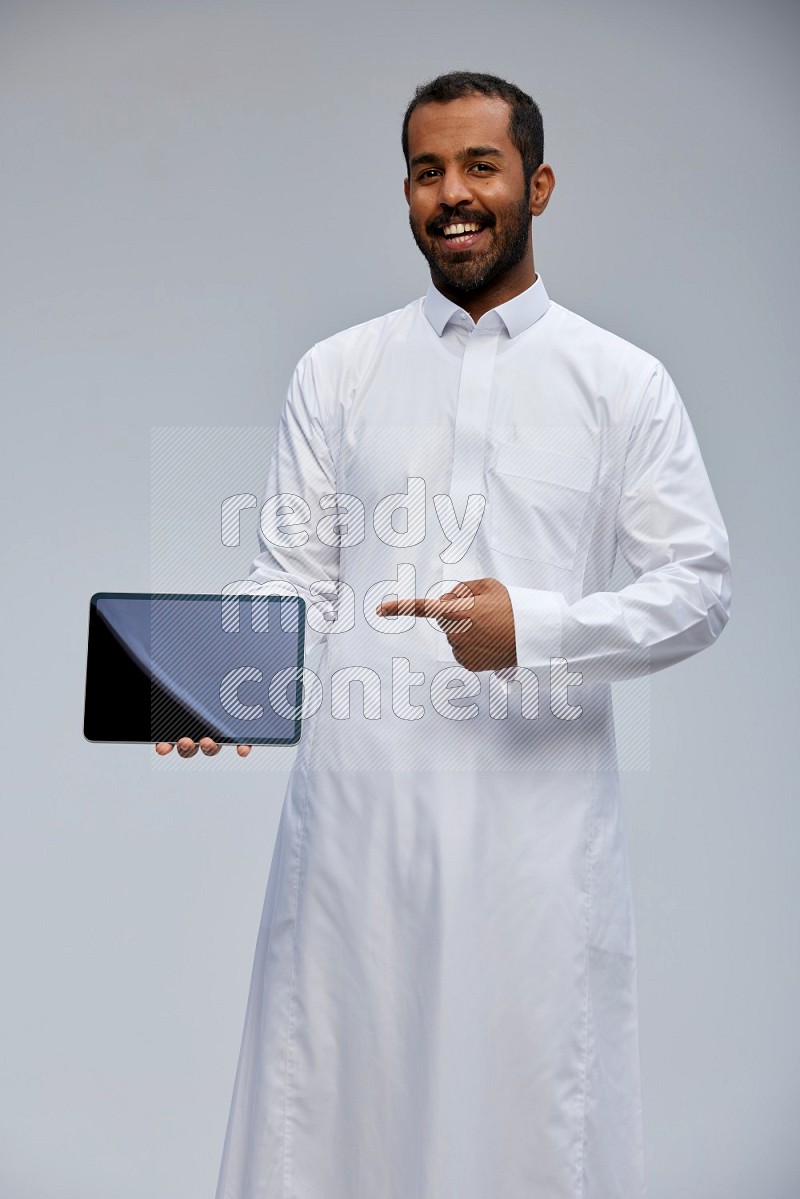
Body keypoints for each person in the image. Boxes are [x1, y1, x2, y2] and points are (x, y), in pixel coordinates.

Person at [158, 71, 731, 1198]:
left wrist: (538, 627)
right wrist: (220, 678)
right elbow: (292, 580)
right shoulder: (338, 371)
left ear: (538, 184)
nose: (452, 195)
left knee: (523, 1119)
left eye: (480, 166)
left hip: (534, 834)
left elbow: (700, 586)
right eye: (428, 171)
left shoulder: (620, 382)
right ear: (407, 192)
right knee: (332, 1112)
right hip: (355, 831)